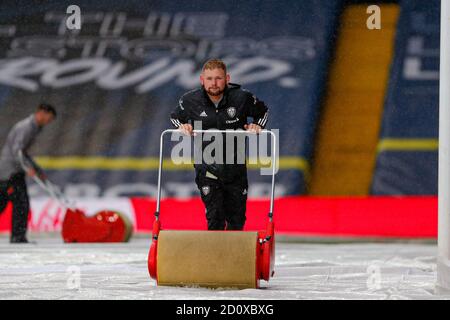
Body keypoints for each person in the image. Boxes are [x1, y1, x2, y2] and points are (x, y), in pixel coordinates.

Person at [170, 59, 269, 230]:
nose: (214, 83)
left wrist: (257, 125)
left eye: (218, 78)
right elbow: (175, 117)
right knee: (215, 218)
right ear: (202, 80)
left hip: (235, 169)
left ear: (227, 79)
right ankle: (215, 256)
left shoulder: (242, 98)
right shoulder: (189, 100)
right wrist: (183, 126)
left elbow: (263, 111)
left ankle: (233, 256)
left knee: (236, 221)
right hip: (206, 169)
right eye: (209, 79)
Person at [0, 104, 57, 243]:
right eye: (49, 118)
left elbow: (23, 153)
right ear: (42, 113)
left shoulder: (34, 128)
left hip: (14, 170)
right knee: (20, 204)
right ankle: (18, 237)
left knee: (12, 203)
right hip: (10, 172)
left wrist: (37, 169)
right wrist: (27, 168)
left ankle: (18, 236)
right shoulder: (26, 127)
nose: (49, 122)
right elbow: (17, 151)